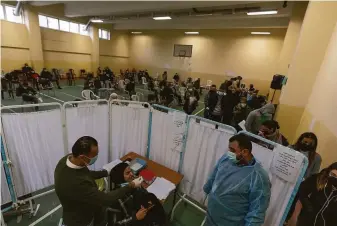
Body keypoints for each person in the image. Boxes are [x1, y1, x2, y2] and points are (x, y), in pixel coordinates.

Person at [54, 136, 143, 226]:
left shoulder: (68, 159)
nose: (96, 157)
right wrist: (131, 185)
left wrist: (105, 172)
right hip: (80, 219)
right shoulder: (77, 183)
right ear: (82, 157)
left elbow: (85, 173)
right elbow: (106, 199)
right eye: (94, 156)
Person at [204, 134, 271, 226]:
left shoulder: (258, 177)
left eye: (232, 150)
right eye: (229, 149)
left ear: (245, 152)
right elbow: (214, 176)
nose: (229, 153)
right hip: (211, 215)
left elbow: (257, 211)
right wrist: (207, 188)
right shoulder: (226, 159)